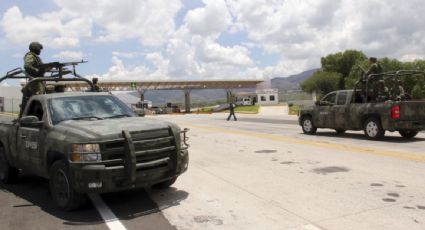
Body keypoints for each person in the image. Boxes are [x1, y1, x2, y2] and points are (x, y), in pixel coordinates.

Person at [20, 41, 45, 117]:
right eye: (39, 49)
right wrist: (37, 70)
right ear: (35, 48)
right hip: (35, 82)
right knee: (38, 99)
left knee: (39, 99)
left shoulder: (34, 57)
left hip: (38, 80)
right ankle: (35, 117)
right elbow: (27, 66)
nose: (40, 51)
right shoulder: (30, 56)